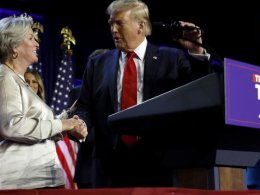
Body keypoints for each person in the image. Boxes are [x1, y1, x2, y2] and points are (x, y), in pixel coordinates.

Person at [72, 0, 213, 188]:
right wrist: (80, 123)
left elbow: (200, 92)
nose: (113, 29)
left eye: (119, 23)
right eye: (111, 24)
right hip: (109, 166)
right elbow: (84, 105)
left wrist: (195, 50)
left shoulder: (171, 58)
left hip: (157, 164)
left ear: (141, 26)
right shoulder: (98, 63)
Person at [0, 13, 88, 189]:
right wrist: (62, 125)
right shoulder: (4, 77)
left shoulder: (19, 81)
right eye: (30, 38)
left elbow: (36, 128)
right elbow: (13, 126)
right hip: (20, 182)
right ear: (14, 47)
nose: (36, 43)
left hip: (40, 179)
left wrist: (69, 124)